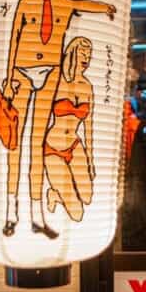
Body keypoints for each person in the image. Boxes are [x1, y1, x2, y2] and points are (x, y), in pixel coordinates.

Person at [2, 0, 115, 238]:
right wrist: (9, 76)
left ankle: (37, 213)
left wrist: (105, 7)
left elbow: (82, 2)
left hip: (50, 72)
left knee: (37, 143)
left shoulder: (63, 3)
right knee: (15, 144)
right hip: (23, 72)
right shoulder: (26, 0)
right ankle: (11, 210)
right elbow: (15, 37)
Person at [45, 37, 95, 222]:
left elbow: (88, 127)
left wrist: (90, 160)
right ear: (72, 53)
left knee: (88, 197)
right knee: (78, 213)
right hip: (52, 147)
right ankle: (56, 193)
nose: (86, 58)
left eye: (89, 54)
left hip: (75, 144)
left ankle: (56, 194)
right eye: (82, 53)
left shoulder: (87, 87)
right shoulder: (56, 81)